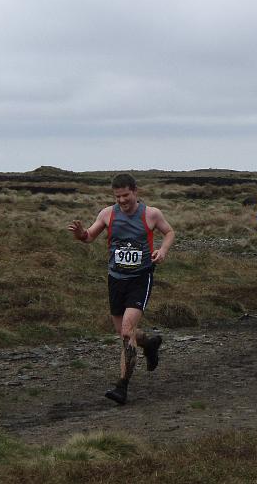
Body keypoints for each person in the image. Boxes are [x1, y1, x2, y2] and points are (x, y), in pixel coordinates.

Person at [67, 173, 175, 405]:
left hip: (140, 278)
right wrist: (80, 235)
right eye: (118, 197)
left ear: (136, 192)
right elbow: (89, 236)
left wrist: (163, 251)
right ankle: (150, 343)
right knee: (126, 335)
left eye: (126, 195)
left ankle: (122, 387)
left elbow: (169, 232)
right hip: (116, 279)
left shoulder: (151, 214)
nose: (122, 200)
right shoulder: (107, 214)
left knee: (127, 331)